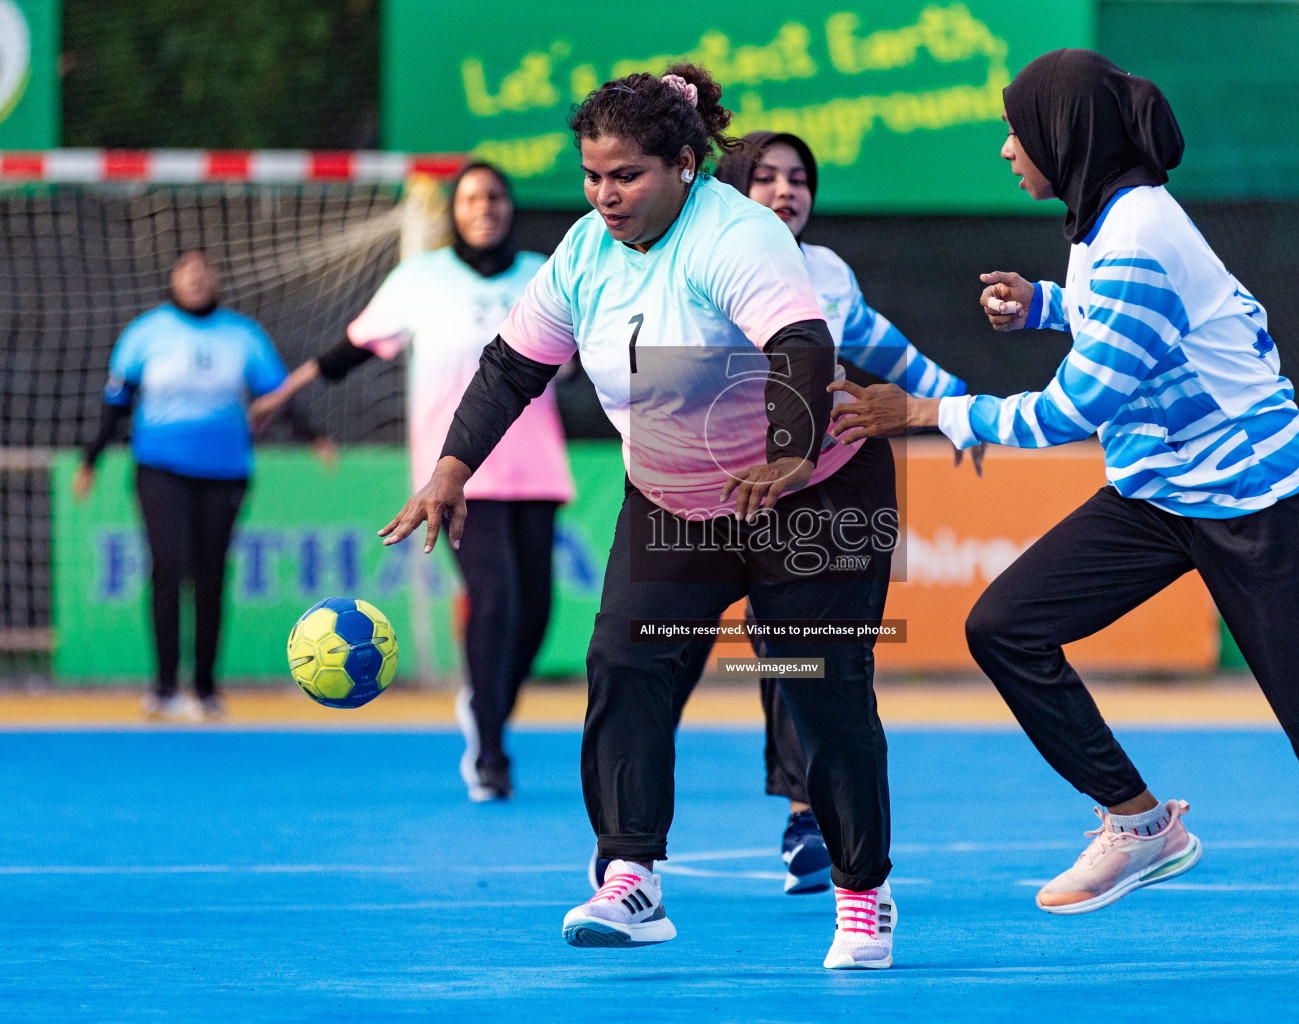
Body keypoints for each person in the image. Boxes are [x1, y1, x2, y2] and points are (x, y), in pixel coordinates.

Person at [828, 48, 1299, 985]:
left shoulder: (1138, 235)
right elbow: (1140, 321)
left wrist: (926, 413)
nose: (1006, 150)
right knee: (1006, 625)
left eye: (1016, 132)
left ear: (1063, 137)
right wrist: (1045, 303)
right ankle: (1138, 822)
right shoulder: (1108, 220)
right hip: (1163, 491)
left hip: (1257, 505)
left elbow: (1070, 411)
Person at [380, 64, 900, 970]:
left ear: (684, 167)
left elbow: (800, 345)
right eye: (592, 175)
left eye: (626, 176)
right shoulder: (584, 253)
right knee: (625, 660)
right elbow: (511, 368)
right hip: (677, 503)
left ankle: (863, 895)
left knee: (820, 684)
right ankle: (631, 878)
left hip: (812, 493)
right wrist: (450, 470)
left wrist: (787, 451)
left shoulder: (736, 238)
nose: (605, 194)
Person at [602, 131, 977, 898]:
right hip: (703, 496)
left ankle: (810, 816)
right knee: (649, 655)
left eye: (799, 178)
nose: (785, 190)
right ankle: (630, 843)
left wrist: (956, 410)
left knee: (798, 655)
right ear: (728, 189)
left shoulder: (828, 272)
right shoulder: (697, 262)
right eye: (765, 176)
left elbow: (888, 349)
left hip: (814, 490)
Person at [249, 162, 574, 803]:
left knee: (537, 610)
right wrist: (286, 390)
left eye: (497, 197)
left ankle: (488, 708)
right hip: (456, 474)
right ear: (454, 209)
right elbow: (353, 347)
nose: (487, 207)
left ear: (511, 208)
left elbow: (588, 350)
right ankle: (488, 749)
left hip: (535, 466)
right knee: (496, 597)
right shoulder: (421, 280)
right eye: (474, 197)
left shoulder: (546, 273)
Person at [76, 249, 326, 721]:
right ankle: (165, 687)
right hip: (160, 466)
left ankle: (206, 688)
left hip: (226, 468)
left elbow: (276, 396)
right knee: (168, 567)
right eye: (186, 271)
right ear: (173, 279)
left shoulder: (243, 335)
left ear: (215, 279)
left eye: (204, 270)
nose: (195, 279)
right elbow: (118, 403)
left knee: (210, 574)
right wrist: (90, 459)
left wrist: (314, 437)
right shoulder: (146, 333)